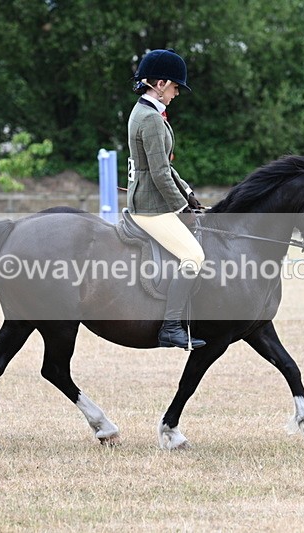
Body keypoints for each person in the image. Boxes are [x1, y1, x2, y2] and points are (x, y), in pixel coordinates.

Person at [127, 49, 206, 350]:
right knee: (194, 256)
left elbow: (165, 168)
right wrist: (182, 208)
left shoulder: (146, 112)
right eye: (174, 87)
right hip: (150, 207)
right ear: (160, 84)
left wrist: (187, 193)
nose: (176, 93)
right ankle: (171, 327)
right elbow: (159, 174)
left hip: (151, 200)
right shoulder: (150, 119)